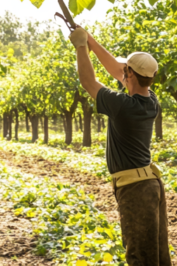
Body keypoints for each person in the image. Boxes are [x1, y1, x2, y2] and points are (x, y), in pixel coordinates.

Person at [69, 26, 171, 266]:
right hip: (150, 186)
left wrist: (81, 46)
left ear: (131, 75)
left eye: (126, 71)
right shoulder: (150, 101)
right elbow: (117, 69)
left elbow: (87, 81)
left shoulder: (122, 105)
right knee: (156, 256)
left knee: (140, 258)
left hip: (136, 190)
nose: (121, 73)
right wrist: (88, 38)